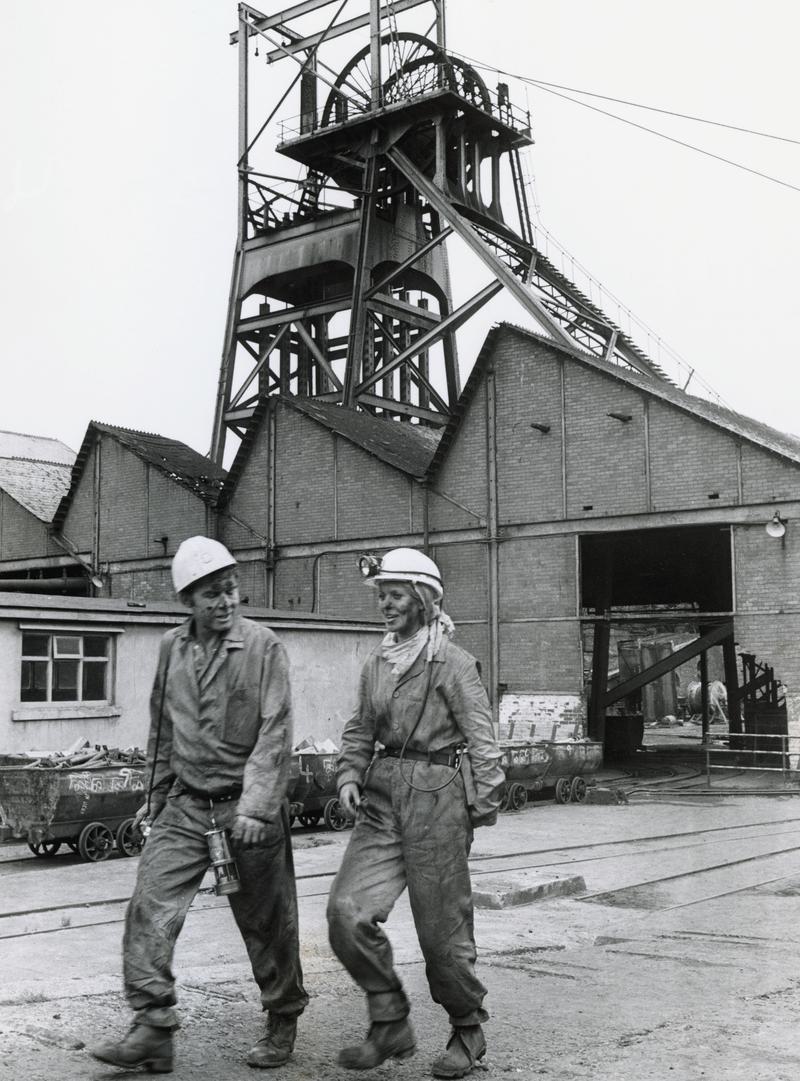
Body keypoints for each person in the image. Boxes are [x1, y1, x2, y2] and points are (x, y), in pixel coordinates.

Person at [91, 536, 308, 1073]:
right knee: (150, 905)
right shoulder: (172, 648)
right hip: (187, 807)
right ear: (188, 600)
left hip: (247, 809)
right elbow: (162, 729)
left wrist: (258, 807)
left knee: (266, 920)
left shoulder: (264, 647)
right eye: (212, 593)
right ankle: (153, 1026)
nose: (226, 601)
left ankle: (282, 1016)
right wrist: (155, 798)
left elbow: (275, 732)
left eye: (231, 588)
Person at [327, 548, 505, 1079]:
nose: (385, 604)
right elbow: (360, 728)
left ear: (424, 600)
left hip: (438, 799)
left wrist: (477, 806)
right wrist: (349, 774)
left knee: (440, 931)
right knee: (346, 912)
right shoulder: (378, 663)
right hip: (382, 800)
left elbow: (483, 740)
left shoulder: (452, 662)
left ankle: (467, 1029)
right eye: (381, 594)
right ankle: (390, 1021)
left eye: (396, 594)